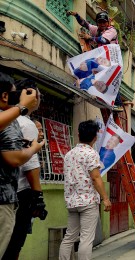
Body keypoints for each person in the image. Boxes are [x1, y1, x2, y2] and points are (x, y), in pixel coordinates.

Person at [0, 73, 45, 258]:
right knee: (12, 247)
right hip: (7, 197)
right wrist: (38, 195)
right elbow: (17, 160)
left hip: (10, 194)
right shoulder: (19, 121)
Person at [59, 120, 111, 260]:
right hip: (87, 201)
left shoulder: (69, 154)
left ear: (78, 134)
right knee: (86, 239)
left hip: (71, 201)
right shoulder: (92, 154)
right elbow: (96, 178)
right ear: (95, 137)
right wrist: (105, 198)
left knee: (69, 237)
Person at [66, 10, 123, 112]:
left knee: (111, 77)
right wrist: (76, 15)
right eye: (100, 22)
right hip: (103, 59)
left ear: (108, 22)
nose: (102, 24)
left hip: (112, 59)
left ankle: (118, 103)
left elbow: (104, 40)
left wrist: (90, 38)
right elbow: (86, 24)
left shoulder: (112, 30)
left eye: (104, 22)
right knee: (100, 78)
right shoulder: (97, 30)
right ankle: (102, 97)